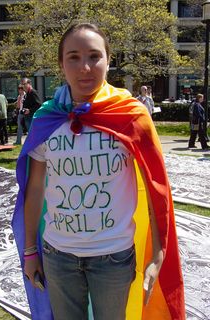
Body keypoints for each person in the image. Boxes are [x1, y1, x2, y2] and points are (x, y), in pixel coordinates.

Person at [12, 23, 185, 320]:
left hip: (114, 258)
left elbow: (156, 187)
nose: (85, 67)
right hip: (58, 256)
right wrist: (30, 251)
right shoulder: (46, 119)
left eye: (94, 56)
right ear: (61, 64)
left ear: (108, 59)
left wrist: (158, 255)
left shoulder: (130, 115)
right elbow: (35, 190)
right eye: (74, 57)